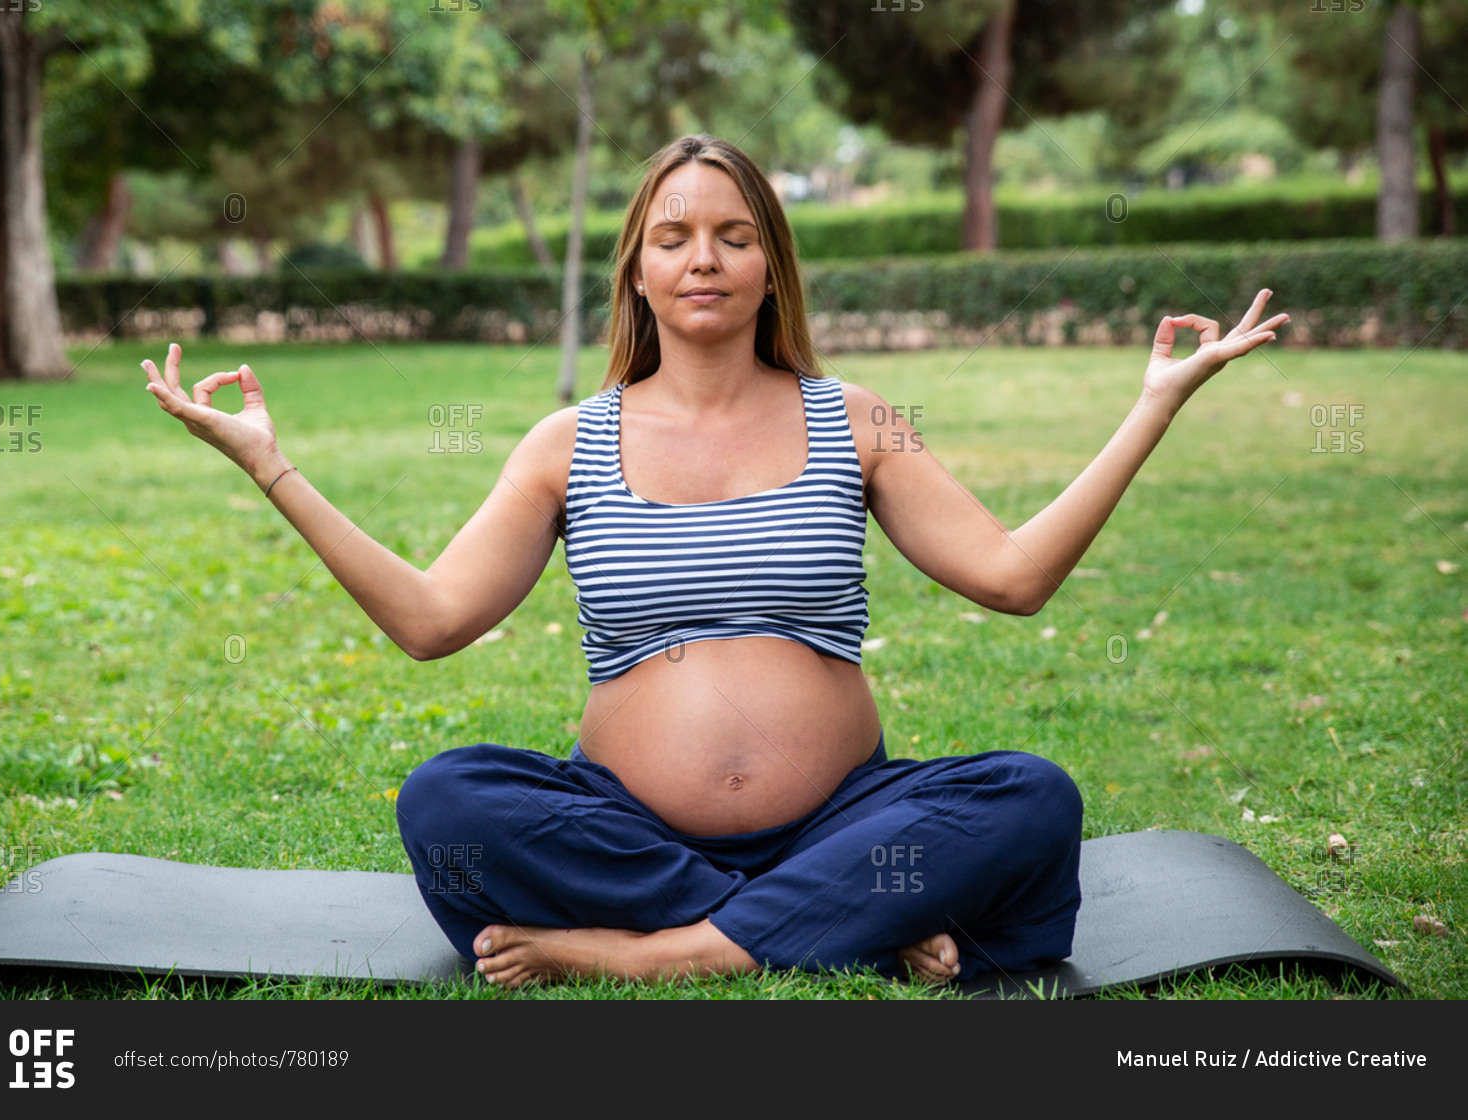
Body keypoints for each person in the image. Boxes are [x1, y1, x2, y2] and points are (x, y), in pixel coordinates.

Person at [144, 134, 1288, 991]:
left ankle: (665, 953)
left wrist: (1153, 407)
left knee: (1032, 797)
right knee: (450, 798)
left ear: (772, 269)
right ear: (637, 269)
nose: (706, 258)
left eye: (735, 236)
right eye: (675, 236)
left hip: (843, 816)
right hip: (625, 833)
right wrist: (271, 467)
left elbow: (1012, 576)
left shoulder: (855, 419)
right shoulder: (569, 442)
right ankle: (847, 927)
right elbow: (433, 619)